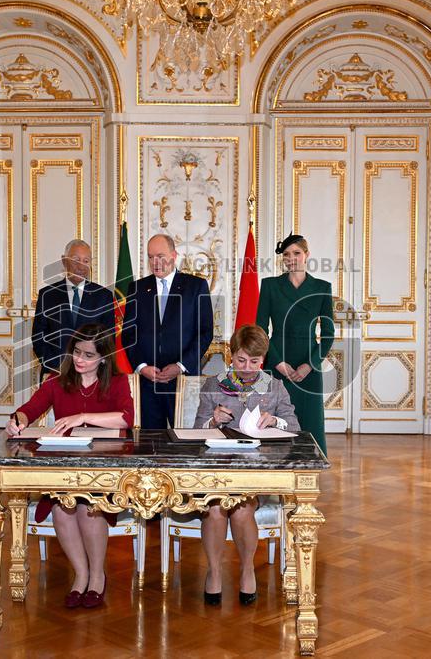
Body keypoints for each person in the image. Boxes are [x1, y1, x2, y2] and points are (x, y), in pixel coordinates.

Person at [5, 323, 133, 608]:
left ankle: (98, 576)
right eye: (76, 352)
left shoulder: (117, 381)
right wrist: (18, 421)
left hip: (103, 469)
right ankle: (81, 575)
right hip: (65, 468)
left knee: (89, 508)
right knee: (63, 509)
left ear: (103, 357)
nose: (80, 359)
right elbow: (29, 409)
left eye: (88, 355)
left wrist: (82, 416)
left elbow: (126, 418)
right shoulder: (56, 381)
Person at [193, 324, 299, 606]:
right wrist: (213, 421)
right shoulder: (214, 384)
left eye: (255, 361)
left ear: (262, 359)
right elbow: (195, 430)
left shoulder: (274, 386)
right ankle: (214, 572)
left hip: (255, 470)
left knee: (241, 511)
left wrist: (275, 421)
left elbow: (295, 428)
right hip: (217, 468)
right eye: (241, 360)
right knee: (215, 510)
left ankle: (247, 568)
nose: (248, 367)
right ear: (231, 356)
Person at [255, 233, 335, 454]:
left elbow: (328, 333)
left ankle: (310, 464)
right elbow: (261, 330)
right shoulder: (270, 285)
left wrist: (309, 364)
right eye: (287, 254)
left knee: (310, 419)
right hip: (277, 360)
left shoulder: (322, 287)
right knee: (273, 414)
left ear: (306, 255)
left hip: (309, 364)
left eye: (296, 253)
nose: (291, 258)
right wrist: (278, 362)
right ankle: (272, 466)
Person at [124, 234, 213, 429]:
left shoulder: (196, 286)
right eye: (150, 257)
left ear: (174, 255)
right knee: (149, 445)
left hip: (183, 380)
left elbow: (205, 332)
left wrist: (181, 365)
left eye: (160, 256)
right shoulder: (137, 288)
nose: (155, 262)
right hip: (147, 382)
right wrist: (141, 366)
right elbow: (129, 334)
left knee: (185, 443)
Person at [32, 239, 115, 376]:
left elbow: (108, 338)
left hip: (91, 373)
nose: (81, 266)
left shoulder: (103, 296)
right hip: (55, 372)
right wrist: (54, 365)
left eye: (86, 261)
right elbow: (38, 336)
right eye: (75, 260)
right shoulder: (47, 295)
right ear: (64, 261)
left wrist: (92, 365)